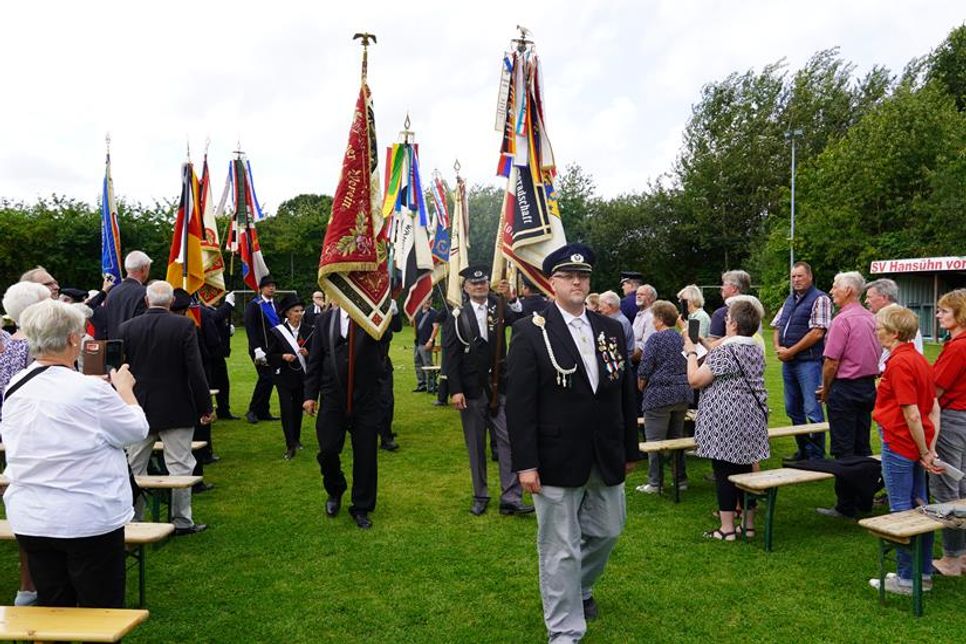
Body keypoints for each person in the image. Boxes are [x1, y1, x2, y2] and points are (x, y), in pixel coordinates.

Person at [507, 243, 639, 641]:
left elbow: (624, 393)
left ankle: (577, 587)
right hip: (555, 455)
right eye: (568, 276)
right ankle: (565, 631)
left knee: (609, 530)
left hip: (605, 452)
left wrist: (630, 448)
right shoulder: (531, 331)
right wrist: (526, 463)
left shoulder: (610, 328)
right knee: (560, 548)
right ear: (552, 283)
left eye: (583, 276)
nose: (578, 281)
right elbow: (520, 404)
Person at [1, 299, 149, 607]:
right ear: (72, 339)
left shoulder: (16, 385)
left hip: (33, 516)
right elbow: (136, 429)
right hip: (87, 517)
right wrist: (124, 390)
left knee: (54, 602)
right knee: (100, 608)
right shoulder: (90, 390)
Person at [120, 281, 213, 536]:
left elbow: (119, 371)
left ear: (147, 301)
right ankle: (182, 520)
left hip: (138, 407)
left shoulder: (127, 328)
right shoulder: (183, 326)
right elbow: (196, 370)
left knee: (134, 466)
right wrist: (206, 406)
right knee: (180, 465)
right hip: (177, 406)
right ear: (171, 302)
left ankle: (133, 518)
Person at [302, 302, 402, 529]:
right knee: (327, 450)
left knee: (366, 455)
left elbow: (389, 333)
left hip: (366, 399)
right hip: (332, 398)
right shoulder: (325, 320)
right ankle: (335, 489)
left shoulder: (372, 318)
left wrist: (391, 311)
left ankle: (361, 506)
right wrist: (310, 395)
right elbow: (315, 360)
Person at [443, 265, 529, 516]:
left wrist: (512, 298)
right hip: (470, 390)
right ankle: (480, 494)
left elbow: (522, 321)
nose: (479, 287)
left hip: (500, 385)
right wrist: (455, 389)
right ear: (466, 288)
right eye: (474, 284)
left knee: (507, 441)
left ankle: (511, 497)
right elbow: (451, 354)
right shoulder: (457, 315)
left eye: (482, 283)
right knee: (476, 445)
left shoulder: (499, 305)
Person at [869, 304, 942, 594]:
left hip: (900, 442)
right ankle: (922, 573)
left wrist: (925, 451)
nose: (875, 332)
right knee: (921, 506)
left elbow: (912, 413)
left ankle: (906, 578)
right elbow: (933, 408)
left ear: (895, 332)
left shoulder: (899, 364)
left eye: (880, 328)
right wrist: (929, 447)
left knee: (902, 509)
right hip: (915, 441)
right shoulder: (919, 359)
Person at [684, 299, 769, 541]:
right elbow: (724, 361)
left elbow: (695, 379)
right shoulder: (754, 348)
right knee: (746, 470)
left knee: (724, 472)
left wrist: (691, 351)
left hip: (725, 420)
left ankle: (727, 529)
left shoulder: (726, 351)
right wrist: (703, 343)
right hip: (752, 417)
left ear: (732, 323)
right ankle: (748, 525)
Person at [0, 280, 51, 607]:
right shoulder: (31, 349)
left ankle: (30, 586)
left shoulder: (7, 342)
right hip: (29, 433)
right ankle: (31, 585)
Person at [815, 272, 881, 519]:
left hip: (845, 387)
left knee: (843, 448)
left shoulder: (842, 321)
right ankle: (864, 499)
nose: (831, 291)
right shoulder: (872, 318)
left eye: (835, 287)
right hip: (867, 387)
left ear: (849, 291)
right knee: (861, 444)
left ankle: (845, 505)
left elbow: (831, 362)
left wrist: (826, 389)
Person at [771, 261, 831, 461]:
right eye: (793, 276)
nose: (796, 280)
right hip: (790, 363)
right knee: (792, 408)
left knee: (812, 409)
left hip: (809, 362)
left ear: (810, 277)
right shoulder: (790, 300)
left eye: (800, 276)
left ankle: (816, 454)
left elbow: (817, 333)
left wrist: (791, 351)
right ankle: (804, 450)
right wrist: (779, 348)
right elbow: (776, 326)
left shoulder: (820, 299)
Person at [636, 300, 691, 494]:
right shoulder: (681, 338)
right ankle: (680, 479)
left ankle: (655, 482)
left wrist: (641, 384)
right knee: (677, 439)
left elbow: (645, 367)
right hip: (682, 393)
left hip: (659, 395)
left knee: (655, 441)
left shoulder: (655, 339)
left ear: (659, 319)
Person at [930, 289, 966, 576]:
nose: (939, 314)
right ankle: (962, 555)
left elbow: (936, 389)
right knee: (963, 486)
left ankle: (952, 558)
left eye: (944, 310)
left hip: (953, 419)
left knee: (947, 489)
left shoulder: (957, 347)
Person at [266, 294, 313, 460]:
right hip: (284, 377)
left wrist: (308, 353)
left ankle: (297, 438)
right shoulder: (277, 332)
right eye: (295, 311)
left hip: (301, 376)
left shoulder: (309, 330)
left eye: (301, 311)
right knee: (286, 410)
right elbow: (269, 356)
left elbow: (317, 354)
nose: (299, 314)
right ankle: (290, 444)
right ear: (287, 313)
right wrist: (283, 357)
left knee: (298, 409)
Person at [864, 278, 924, 371]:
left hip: (896, 371)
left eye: (869, 297)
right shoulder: (891, 316)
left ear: (884, 298)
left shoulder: (899, 319)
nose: (866, 301)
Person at [244, 275, 280, 424]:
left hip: (273, 348)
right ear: (261, 289)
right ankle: (252, 410)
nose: (271, 288)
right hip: (259, 348)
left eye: (273, 285)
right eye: (268, 286)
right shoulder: (255, 305)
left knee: (270, 379)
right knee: (266, 378)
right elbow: (250, 328)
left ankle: (263, 410)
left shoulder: (276, 304)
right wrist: (257, 348)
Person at [100, 251, 152, 339]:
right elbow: (144, 325)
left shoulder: (112, 292)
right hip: (134, 348)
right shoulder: (145, 293)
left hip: (113, 347)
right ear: (144, 269)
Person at [707, 270, 750, 342]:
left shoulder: (720, 314)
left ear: (734, 288)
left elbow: (712, 346)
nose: (722, 288)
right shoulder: (754, 311)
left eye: (724, 284)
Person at [598, 291, 634, 361]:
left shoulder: (619, 323)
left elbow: (616, 349)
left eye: (601, 306)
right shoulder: (616, 320)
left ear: (610, 306)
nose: (599, 309)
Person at [412, 300, 439, 394]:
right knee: (417, 363)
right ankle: (421, 384)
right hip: (418, 342)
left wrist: (430, 341)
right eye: (426, 299)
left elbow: (436, 327)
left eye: (430, 299)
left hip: (426, 343)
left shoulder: (434, 313)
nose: (428, 301)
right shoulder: (418, 312)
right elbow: (414, 325)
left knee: (428, 365)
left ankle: (432, 385)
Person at [631, 284, 657, 362]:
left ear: (651, 298)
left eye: (642, 294)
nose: (638, 296)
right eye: (637, 294)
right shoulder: (639, 314)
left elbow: (647, 346)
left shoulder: (651, 316)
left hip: (640, 361)